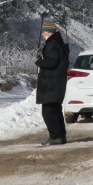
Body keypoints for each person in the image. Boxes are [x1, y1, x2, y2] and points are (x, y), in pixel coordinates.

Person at [35, 18, 70, 146]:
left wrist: (39, 61)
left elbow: (52, 62)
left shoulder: (53, 44)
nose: (42, 35)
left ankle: (55, 137)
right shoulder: (58, 43)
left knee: (49, 112)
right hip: (56, 83)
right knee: (55, 110)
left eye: (43, 32)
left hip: (50, 84)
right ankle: (60, 136)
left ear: (48, 32)